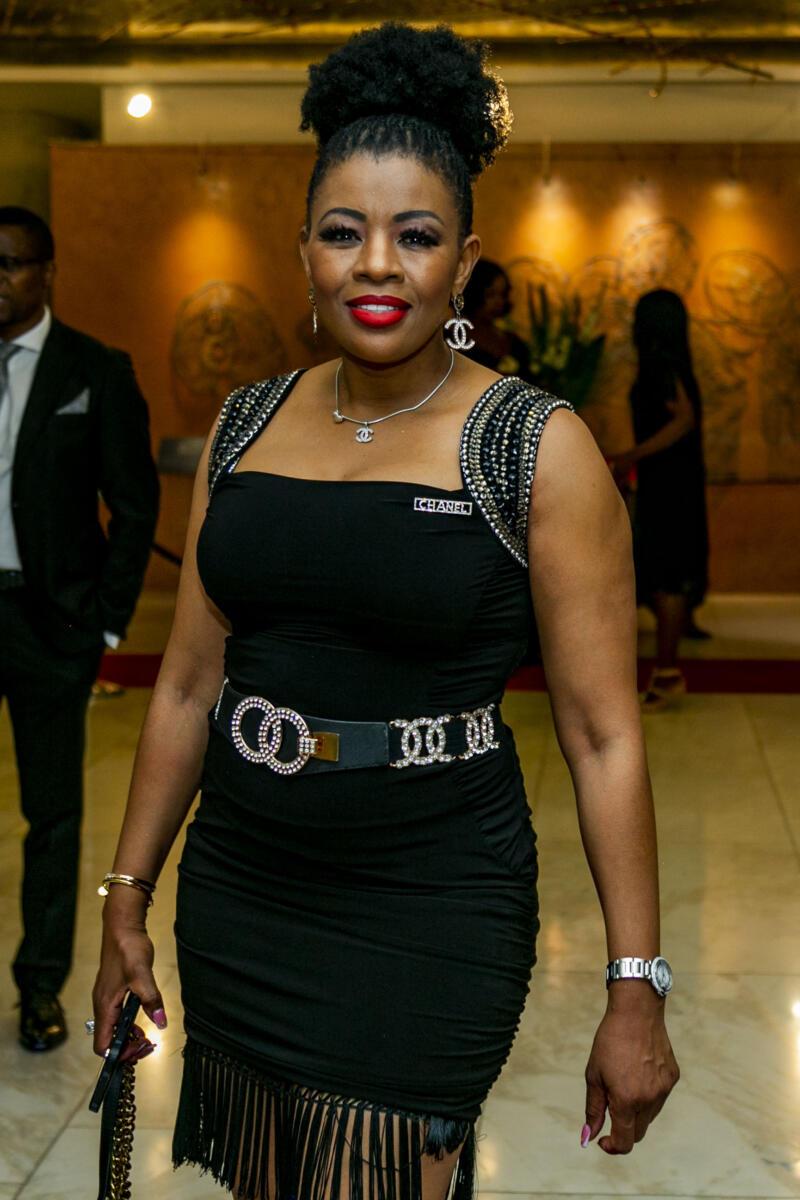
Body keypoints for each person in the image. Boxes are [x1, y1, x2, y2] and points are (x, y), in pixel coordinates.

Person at [93, 24, 678, 1200]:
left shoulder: (532, 445)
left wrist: (635, 986)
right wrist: (125, 899)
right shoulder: (246, 425)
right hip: (245, 887)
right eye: (341, 232)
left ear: (463, 262)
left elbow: (603, 735)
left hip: (431, 900)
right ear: (302, 251)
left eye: (414, 235)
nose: (375, 265)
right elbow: (189, 687)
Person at [0, 205, 159, 1051]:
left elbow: (135, 506)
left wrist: (106, 625)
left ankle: (40, 987)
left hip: (49, 624)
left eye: (12, 263)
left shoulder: (93, 369)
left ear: (47, 271)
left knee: (53, 817)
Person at [610, 289, 709, 712]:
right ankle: (667, 670)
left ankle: (667, 673)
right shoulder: (675, 364)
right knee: (667, 572)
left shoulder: (662, 366)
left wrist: (631, 456)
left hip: (669, 484)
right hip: (674, 480)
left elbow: (684, 420)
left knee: (668, 575)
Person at [462, 258, 534, 380]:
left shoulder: (513, 342)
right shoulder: (455, 339)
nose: (499, 302)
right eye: (490, 295)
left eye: (502, 294)